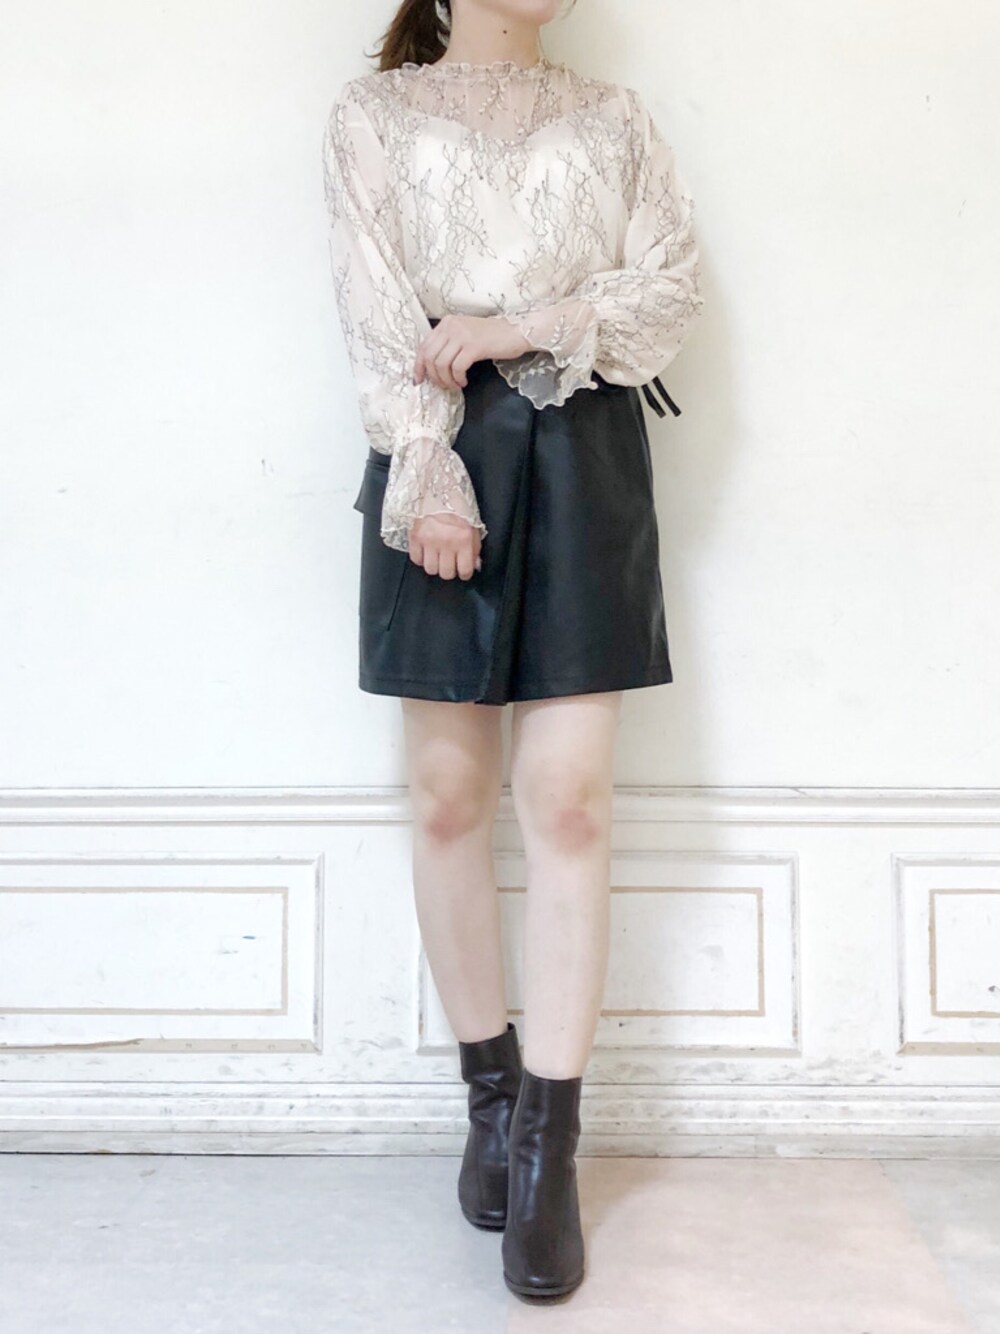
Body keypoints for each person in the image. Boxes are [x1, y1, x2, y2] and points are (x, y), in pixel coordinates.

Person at [321, 0, 703, 1302]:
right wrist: (428, 464)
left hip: (586, 449)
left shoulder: (613, 117)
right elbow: (375, 301)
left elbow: (667, 288)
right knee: (446, 794)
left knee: (571, 800)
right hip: (435, 445)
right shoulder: (374, 115)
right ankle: (488, 1100)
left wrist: (521, 324)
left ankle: (548, 1145)